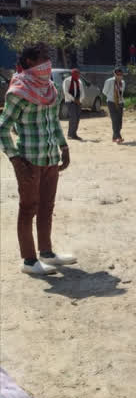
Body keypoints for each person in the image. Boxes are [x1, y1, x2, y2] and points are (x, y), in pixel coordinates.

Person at [0, 43, 76, 275]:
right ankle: (29, 261)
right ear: (30, 62)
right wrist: (15, 160)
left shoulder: (50, 89)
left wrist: (63, 146)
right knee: (28, 208)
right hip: (29, 161)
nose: (48, 61)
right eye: (43, 57)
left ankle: (47, 253)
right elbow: (3, 129)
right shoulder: (18, 92)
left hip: (50, 158)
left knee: (46, 206)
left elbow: (53, 122)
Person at [103, 67, 125, 143]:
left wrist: (119, 98)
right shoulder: (109, 81)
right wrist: (112, 96)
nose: (119, 76)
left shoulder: (123, 82)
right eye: (118, 74)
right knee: (115, 119)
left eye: (121, 74)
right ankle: (118, 137)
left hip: (120, 102)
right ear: (114, 74)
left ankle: (114, 137)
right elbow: (104, 91)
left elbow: (122, 92)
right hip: (111, 102)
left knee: (119, 120)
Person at [62, 68, 84, 140]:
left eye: (78, 74)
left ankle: (74, 134)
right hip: (70, 101)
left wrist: (79, 100)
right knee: (73, 117)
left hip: (78, 102)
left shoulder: (79, 82)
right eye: (76, 74)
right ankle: (70, 134)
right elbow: (66, 92)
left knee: (77, 118)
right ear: (72, 74)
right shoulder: (67, 81)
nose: (77, 75)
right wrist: (74, 99)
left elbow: (82, 92)